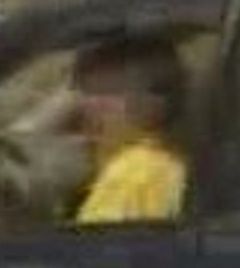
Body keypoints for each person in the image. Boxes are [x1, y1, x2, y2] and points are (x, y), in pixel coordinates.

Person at [71, 35, 190, 224]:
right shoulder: (167, 166)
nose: (88, 105)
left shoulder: (134, 175)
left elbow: (88, 250)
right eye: (87, 91)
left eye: (108, 92)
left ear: (153, 104)